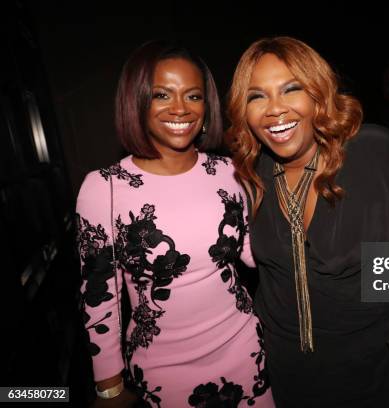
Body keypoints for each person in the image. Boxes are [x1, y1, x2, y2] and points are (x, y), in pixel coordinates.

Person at [226, 36, 389, 408]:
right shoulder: (251, 174)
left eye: (291, 89)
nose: (274, 109)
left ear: (318, 92)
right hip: (289, 373)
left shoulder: (375, 151)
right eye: (257, 96)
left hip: (376, 368)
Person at [76, 40, 273, 407]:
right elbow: (99, 297)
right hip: (162, 371)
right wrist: (108, 386)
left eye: (193, 96)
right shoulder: (104, 188)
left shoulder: (230, 172)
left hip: (246, 351)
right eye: (162, 94)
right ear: (137, 100)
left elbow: (254, 255)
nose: (180, 108)